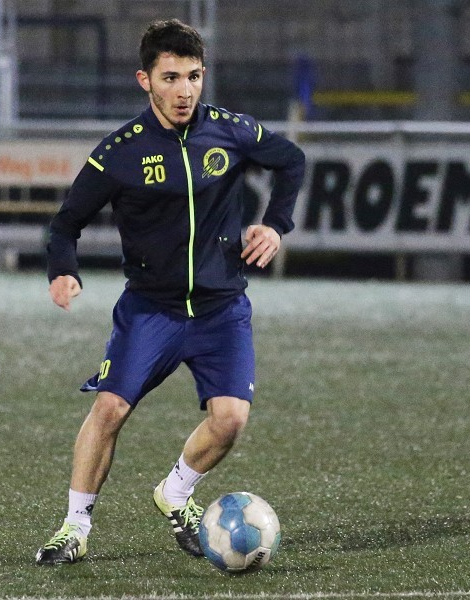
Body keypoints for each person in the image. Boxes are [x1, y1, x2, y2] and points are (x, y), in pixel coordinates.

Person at [35, 18, 305, 565]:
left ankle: (176, 492)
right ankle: (74, 527)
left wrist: (275, 224)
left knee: (231, 418)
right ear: (145, 80)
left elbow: (291, 161)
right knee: (109, 409)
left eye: (194, 76)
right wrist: (63, 270)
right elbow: (64, 225)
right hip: (150, 310)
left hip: (221, 309)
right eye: (171, 77)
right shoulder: (118, 153)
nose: (184, 91)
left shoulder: (230, 131)